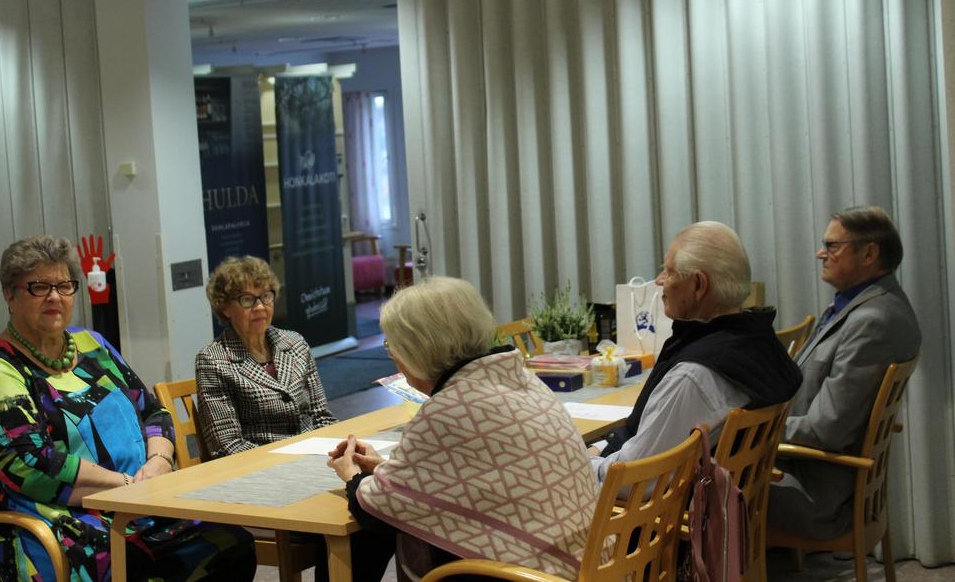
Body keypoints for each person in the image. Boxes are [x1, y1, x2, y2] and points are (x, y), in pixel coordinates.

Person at [0, 235, 255, 581]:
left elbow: (153, 412)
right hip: (58, 520)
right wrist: (128, 485)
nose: (55, 296)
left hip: (139, 502)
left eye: (64, 285)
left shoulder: (92, 344)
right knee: (141, 566)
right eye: (39, 287)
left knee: (230, 543)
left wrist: (159, 461)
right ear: (10, 295)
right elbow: (34, 465)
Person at [328, 276, 604, 581]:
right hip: (591, 565)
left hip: (534, 575)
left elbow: (375, 511)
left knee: (363, 542)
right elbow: (476, 476)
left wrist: (351, 473)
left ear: (416, 349)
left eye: (392, 346)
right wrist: (385, 467)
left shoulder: (448, 408)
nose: (392, 355)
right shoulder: (519, 378)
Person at [590, 221, 802, 480]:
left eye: (669, 271)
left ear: (699, 285)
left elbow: (635, 478)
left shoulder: (694, 375)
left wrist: (580, 464)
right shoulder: (759, 341)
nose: (659, 281)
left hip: (663, 502)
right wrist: (598, 448)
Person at [768, 206, 921, 538]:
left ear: (869, 254)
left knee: (691, 482)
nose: (820, 253)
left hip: (817, 492)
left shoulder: (872, 322)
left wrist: (755, 430)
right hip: (815, 472)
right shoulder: (865, 304)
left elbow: (827, 430)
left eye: (832, 246)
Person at [196, 255, 336, 458]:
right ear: (224, 308)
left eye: (266, 296)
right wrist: (290, 462)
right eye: (247, 300)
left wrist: (336, 450)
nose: (260, 307)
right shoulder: (212, 360)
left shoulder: (295, 343)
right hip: (261, 465)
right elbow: (227, 444)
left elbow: (322, 417)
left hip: (315, 456)